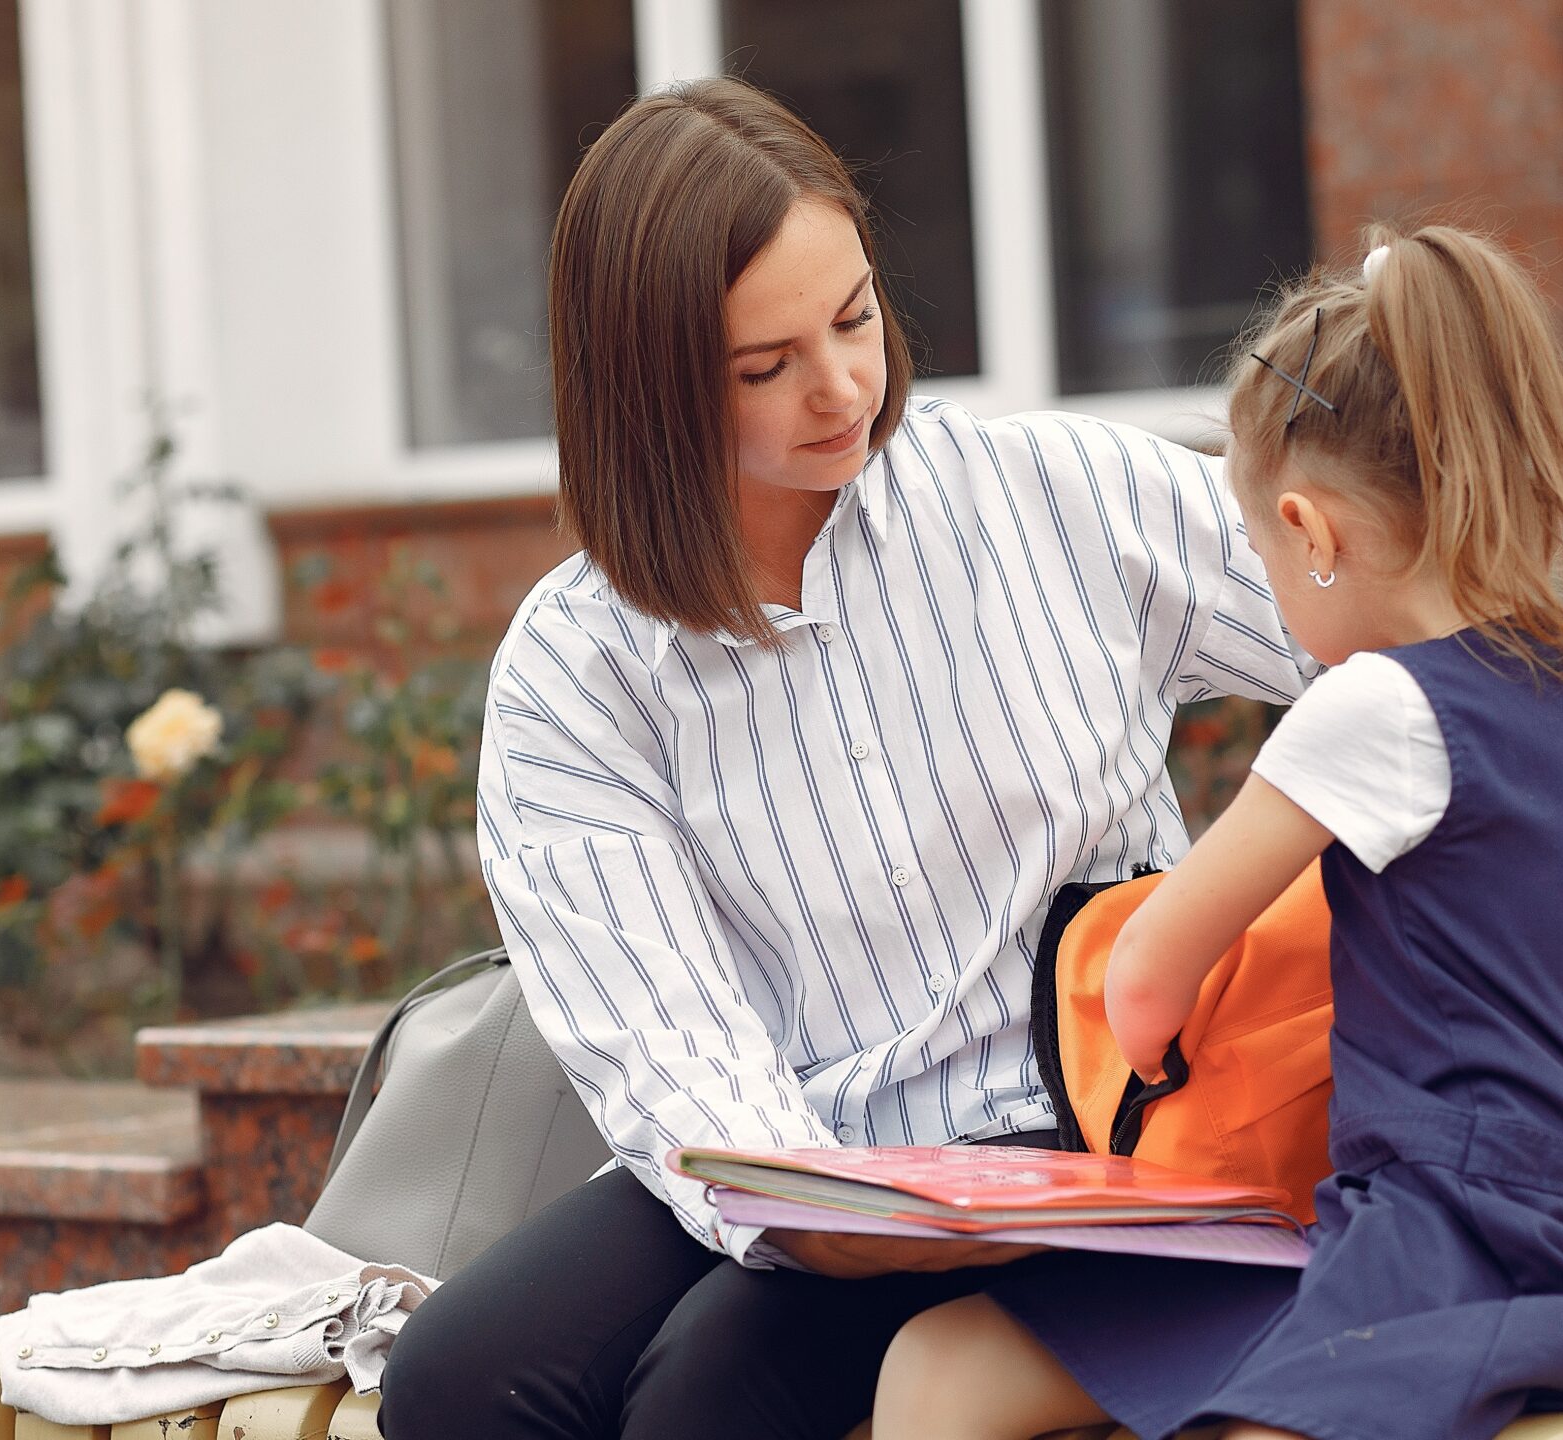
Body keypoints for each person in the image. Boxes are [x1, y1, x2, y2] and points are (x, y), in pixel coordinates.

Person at [375, 75, 1310, 1440]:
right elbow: (657, 1027)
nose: (844, 389)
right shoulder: (577, 673)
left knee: (707, 1392)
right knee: (459, 1381)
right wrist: (800, 1215)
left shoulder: (1058, 494)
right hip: (809, 1154)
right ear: (648, 388)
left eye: (856, 316)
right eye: (768, 365)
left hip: (1101, 1124)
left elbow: (1385, 639)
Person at [872, 224, 1563, 1440]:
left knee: (937, 1373)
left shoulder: (1374, 708)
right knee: (943, 1365)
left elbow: (1143, 981)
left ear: (1311, 531)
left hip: (1433, 1253)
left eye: (1263, 551)